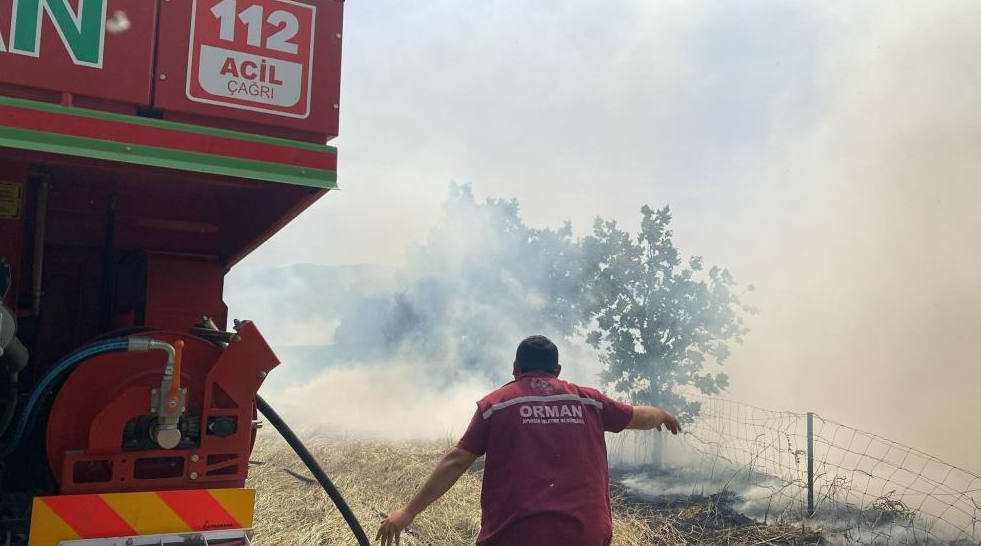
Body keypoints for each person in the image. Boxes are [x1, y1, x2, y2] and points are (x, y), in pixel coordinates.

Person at [376, 335, 681, 546]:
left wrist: (408, 512)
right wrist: (664, 413)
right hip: (585, 533)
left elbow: (456, 461)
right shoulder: (589, 401)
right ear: (557, 370)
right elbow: (641, 417)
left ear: (515, 368)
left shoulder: (496, 405)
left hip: (516, 534)